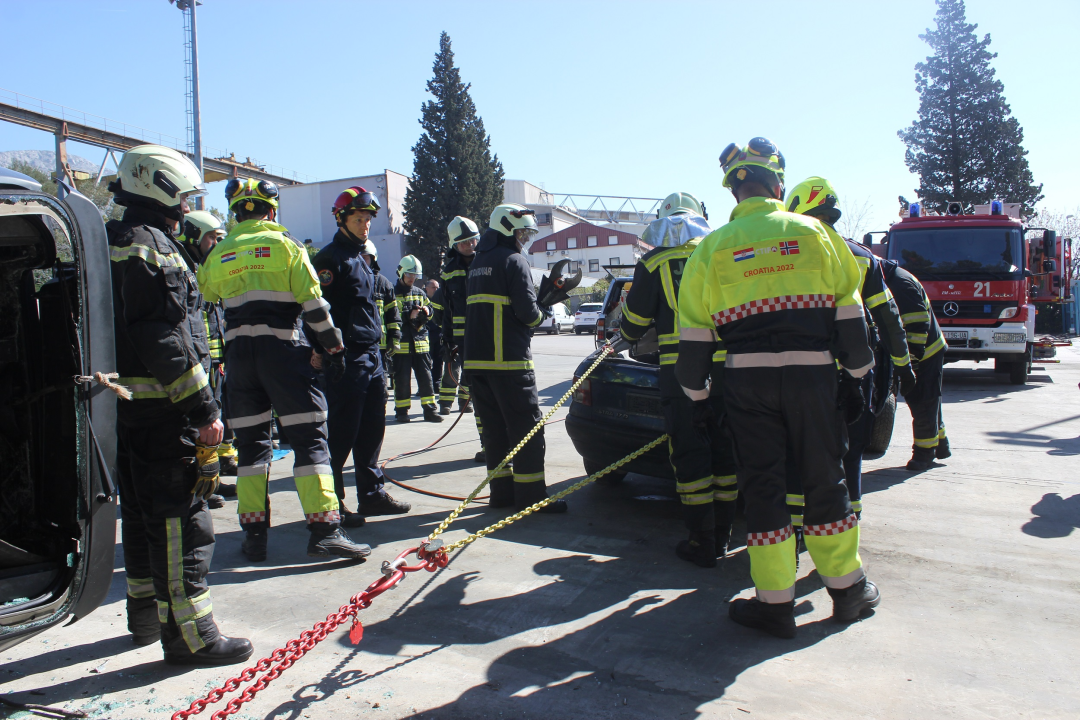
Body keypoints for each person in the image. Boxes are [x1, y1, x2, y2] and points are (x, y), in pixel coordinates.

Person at [676, 138, 879, 638]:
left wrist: (700, 401)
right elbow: (852, 324)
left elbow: (693, 346)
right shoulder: (816, 234)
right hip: (814, 378)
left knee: (763, 489)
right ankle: (848, 591)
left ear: (733, 189)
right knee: (825, 479)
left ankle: (775, 606)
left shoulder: (710, 249)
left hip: (746, 383)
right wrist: (857, 379)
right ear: (779, 184)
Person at [107, 144, 251, 665]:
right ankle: (192, 637)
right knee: (181, 523)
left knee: (141, 517)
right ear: (158, 186)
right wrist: (204, 409)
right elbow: (163, 337)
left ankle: (146, 617)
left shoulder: (115, 239)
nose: (188, 206)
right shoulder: (152, 247)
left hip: (127, 413)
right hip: (165, 414)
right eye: (183, 196)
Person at [197, 177, 370, 563]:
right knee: (310, 441)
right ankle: (325, 532)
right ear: (272, 211)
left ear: (236, 212)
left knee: (251, 448)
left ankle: (254, 535)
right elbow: (314, 306)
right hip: (284, 355)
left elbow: (206, 298)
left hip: (239, 362)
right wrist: (335, 349)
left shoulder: (218, 253)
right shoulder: (286, 246)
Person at [786, 177, 916, 517]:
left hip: (805, 370)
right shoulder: (861, 256)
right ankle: (849, 517)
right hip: (856, 372)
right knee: (852, 450)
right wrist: (903, 365)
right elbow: (888, 317)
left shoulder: (786, 254)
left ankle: (797, 527)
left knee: (799, 451)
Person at [619, 192, 736, 567]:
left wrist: (625, 322)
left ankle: (701, 541)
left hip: (680, 375)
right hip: (727, 372)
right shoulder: (722, 253)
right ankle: (723, 536)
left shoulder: (654, 262)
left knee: (689, 454)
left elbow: (633, 325)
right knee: (725, 452)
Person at [312, 186, 410, 527]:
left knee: (372, 429)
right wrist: (321, 351)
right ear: (342, 220)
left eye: (368, 219)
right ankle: (332, 503)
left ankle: (371, 495)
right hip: (345, 358)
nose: (365, 225)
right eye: (358, 219)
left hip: (371, 356)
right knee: (342, 432)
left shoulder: (360, 260)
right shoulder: (330, 260)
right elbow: (315, 309)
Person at [465, 203, 566, 512]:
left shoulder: (478, 262)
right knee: (528, 431)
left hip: (477, 364)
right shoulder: (514, 260)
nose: (524, 240)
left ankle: (502, 495)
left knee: (495, 433)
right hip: (509, 362)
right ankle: (531, 497)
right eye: (521, 233)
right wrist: (543, 310)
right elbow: (528, 314)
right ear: (506, 229)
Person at [177, 210, 238, 503]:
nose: (216, 244)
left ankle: (211, 480)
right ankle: (198, 487)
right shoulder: (184, 270)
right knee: (196, 424)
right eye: (212, 238)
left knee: (213, 421)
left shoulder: (201, 270)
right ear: (194, 237)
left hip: (214, 362)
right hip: (196, 365)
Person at [880, 259, 949, 471]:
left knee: (922, 400)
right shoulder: (893, 278)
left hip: (926, 352)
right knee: (929, 400)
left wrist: (912, 364)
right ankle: (941, 445)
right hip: (922, 349)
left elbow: (917, 326)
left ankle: (924, 454)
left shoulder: (901, 284)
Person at [437, 216, 486, 462]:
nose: (469, 245)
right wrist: (447, 341)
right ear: (454, 245)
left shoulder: (488, 262)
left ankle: (503, 443)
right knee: (478, 394)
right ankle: (488, 444)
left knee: (496, 393)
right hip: (465, 344)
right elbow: (446, 311)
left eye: (472, 240)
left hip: (491, 338)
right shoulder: (449, 272)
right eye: (463, 242)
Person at [391, 255, 442, 423]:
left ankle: (430, 411)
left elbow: (430, 309)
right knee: (402, 380)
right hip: (402, 346)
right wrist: (409, 315)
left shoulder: (420, 293)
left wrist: (426, 312)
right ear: (401, 273)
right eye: (409, 274)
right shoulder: (392, 293)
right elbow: (391, 316)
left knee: (426, 380)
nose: (412, 278)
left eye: (415, 275)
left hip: (421, 345)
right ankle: (402, 411)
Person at [360, 241, 401, 391]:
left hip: (380, 347)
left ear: (373, 259)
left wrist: (395, 337)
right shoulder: (347, 281)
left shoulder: (383, 284)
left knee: (379, 388)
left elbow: (392, 313)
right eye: (359, 258)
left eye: (365, 258)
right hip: (356, 345)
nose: (362, 261)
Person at [425, 279, 444, 389]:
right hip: (426, 335)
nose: (436, 290)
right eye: (433, 287)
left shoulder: (441, 299)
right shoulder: (423, 300)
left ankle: (436, 384)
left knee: (438, 361)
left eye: (437, 287)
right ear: (427, 288)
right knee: (426, 362)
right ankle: (426, 386)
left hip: (438, 334)